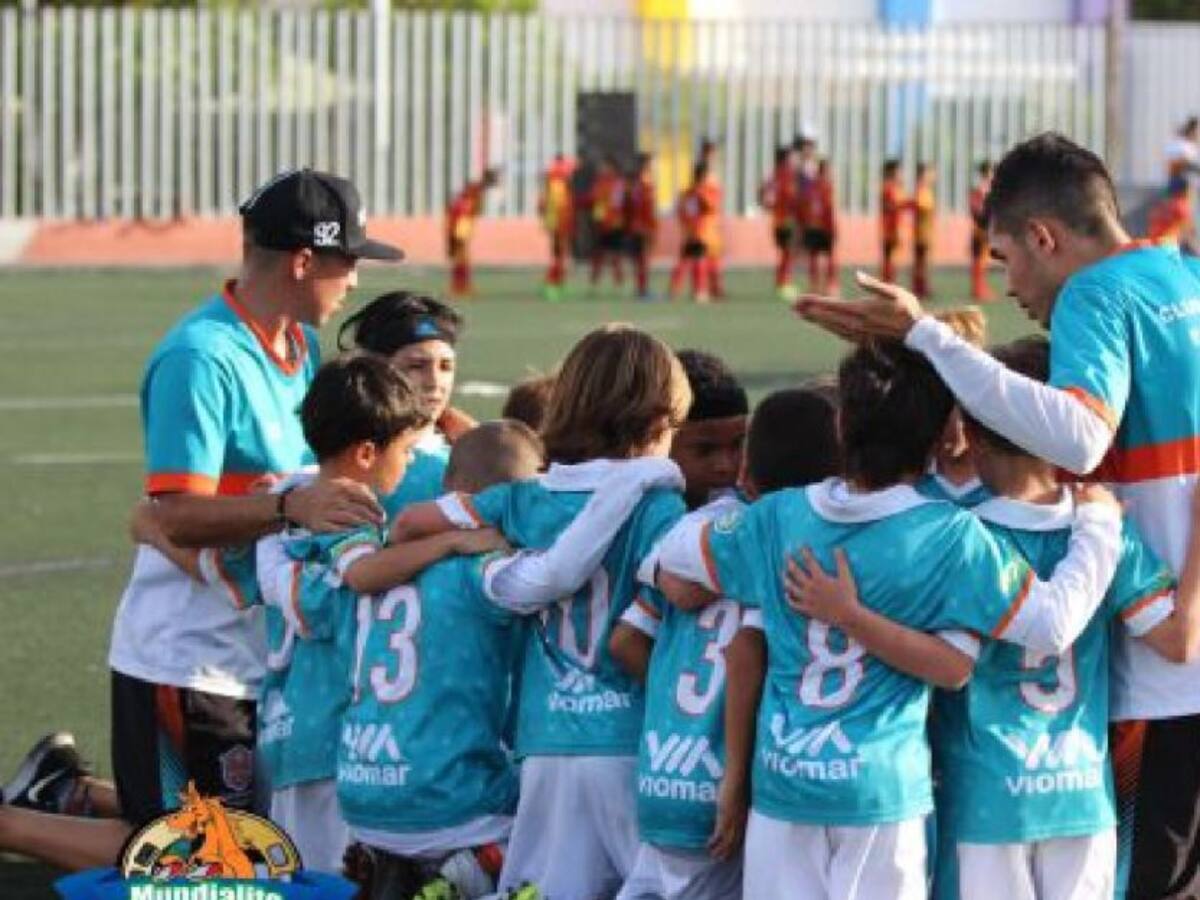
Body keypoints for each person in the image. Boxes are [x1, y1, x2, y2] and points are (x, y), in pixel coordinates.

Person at [796, 131, 1200, 899]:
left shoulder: (1096, 292)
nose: (1007, 286)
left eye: (1005, 257)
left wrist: (928, 337)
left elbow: (1078, 436)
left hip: (1163, 665)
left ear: (1043, 237)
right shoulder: (1185, 272)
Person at [0, 168, 403, 870]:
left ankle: (63, 793)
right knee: (208, 862)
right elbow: (175, 514)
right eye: (348, 263)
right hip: (188, 662)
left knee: (243, 840)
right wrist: (289, 508)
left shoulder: (298, 345)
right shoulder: (201, 359)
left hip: (249, 648)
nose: (354, 282)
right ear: (304, 260)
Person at [651, 339, 1128, 900]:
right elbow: (1049, 625)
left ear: (842, 424)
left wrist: (728, 515)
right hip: (882, 792)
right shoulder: (949, 534)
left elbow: (676, 554)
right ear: (937, 441)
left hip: (784, 788)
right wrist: (1099, 525)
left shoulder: (779, 518)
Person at [393, 326, 692, 900]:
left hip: (545, 737)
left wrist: (481, 543)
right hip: (630, 740)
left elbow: (410, 525)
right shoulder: (658, 501)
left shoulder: (526, 497)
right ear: (658, 420)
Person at [610, 385, 841, 900]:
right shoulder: (794, 545)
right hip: (737, 783)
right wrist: (735, 777)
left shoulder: (697, 528)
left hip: (663, 770)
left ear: (746, 472)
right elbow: (744, 655)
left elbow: (625, 641)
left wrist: (678, 712)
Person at [338, 421, 543, 899]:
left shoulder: (375, 566)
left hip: (360, 790)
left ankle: (393, 868)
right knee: (555, 823)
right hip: (451, 803)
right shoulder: (486, 570)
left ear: (449, 485)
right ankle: (466, 874)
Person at [338, 291, 475, 518]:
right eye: (416, 366)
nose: (434, 382)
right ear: (374, 368)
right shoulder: (351, 460)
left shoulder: (467, 451)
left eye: (445, 366)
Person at [669, 163, 719, 303]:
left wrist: (685, 227)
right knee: (698, 262)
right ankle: (699, 291)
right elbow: (711, 208)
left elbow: (681, 212)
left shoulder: (687, 193)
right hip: (701, 232)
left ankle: (674, 290)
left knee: (684, 261)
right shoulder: (702, 192)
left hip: (690, 232)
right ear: (703, 176)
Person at [447, 168, 499, 299]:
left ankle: (461, 286)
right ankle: (458, 286)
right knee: (462, 254)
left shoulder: (476, 190)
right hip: (462, 221)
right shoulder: (475, 190)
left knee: (462, 255)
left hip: (462, 220)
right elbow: (467, 208)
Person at [760, 146, 799, 300]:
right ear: (786, 159)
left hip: (777, 220)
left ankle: (782, 282)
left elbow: (765, 197)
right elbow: (792, 197)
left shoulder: (772, 176)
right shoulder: (786, 175)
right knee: (787, 252)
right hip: (786, 220)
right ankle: (784, 283)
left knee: (784, 252)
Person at [539, 154, 577, 302]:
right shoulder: (558, 185)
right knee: (558, 255)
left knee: (559, 256)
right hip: (558, 225)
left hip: (557, 224)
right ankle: (552, 284)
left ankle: (558, 283)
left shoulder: (556, 184)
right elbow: (558, 208)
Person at [588, 157, 628, 291]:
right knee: (599, 254)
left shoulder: (618, 183)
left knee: (615, 255)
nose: (602, 169)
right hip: (603, 223)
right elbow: (595, 202)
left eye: (605, 166)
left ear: (612, 168)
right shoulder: (600, 183)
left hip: (614, 224)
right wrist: (598, 220)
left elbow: (619, 204)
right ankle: (594, 282)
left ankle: (618, 282)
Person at [801, 159, 838, 295]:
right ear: (825, 171)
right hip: (824, 227)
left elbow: (804, 206)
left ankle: (814, 286)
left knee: (814, 256)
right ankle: (831, 286)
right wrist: (832, 228)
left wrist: (805, 224)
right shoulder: (827, 187)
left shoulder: (811, 187)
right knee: (830, 257)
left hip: (811, 226)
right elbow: (829, 209)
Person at [627, 152, 659, 301]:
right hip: (642, 227)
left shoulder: (636, 184)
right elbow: (645, 208)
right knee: (643, 260)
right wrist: (650, 228)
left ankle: (642, 289)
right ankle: (642, 290)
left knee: (641, 260)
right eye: (652, 164)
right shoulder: (644, 184)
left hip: (637, 226)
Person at [699, 139, 726, 299]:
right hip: (705, 222)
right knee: (705, 256)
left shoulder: (712, 172)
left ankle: (715, 288)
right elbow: (704, 198)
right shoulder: (703, 173)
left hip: (712, 220)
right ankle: (705, 289)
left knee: (714, 256)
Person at [1147, 175, 1196, 252]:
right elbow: (1190, 231)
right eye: (1190, 189)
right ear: (1184, 191)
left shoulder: (1161, 205)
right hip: (1169, 247)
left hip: (1153, 246)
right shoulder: (1181, 205)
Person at [970, 161, 995, 300]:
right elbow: (978, 211)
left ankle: (980, 288)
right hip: (981, 229)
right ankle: (979, 289)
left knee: (980, 259)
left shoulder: (981, 189)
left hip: (980, 228)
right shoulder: (983, 189)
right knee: (980, 259)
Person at [911, 162, 936, 299]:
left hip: (925, 232)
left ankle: (922, 286)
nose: (933, 176)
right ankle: (920, 288)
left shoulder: (924, 190)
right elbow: (921, 206)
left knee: (923, 261)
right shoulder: (922, 190)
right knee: (921, 262)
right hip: (922, 233)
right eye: (930, 173)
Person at [879, 159, 906, 284]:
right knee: (890, 258)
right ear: (892, 172)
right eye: (899, 171)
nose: (901, 173)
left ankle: (889, 284)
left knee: (891, 258)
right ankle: (888, 285)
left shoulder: (894, 187)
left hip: (892, 228)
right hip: (890, 229)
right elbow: (890, 207)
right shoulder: (889, 188)